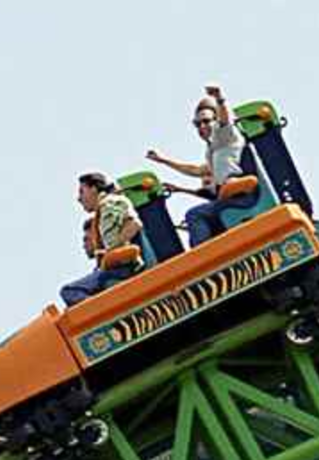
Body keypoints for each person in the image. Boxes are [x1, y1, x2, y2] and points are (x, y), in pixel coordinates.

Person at [147, 85, 250, 246]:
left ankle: (206, 256)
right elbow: (196, 170)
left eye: (206, 121)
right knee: (202, 219)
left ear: (215, 120)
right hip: (228, 197)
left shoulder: (225, 135)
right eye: (197, 124)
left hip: (239, 195)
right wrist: (163, 160)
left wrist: (219, 99)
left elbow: (225, 120)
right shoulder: (213, 150)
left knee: (194, 215)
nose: (202, 126)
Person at [59, 172, 142, 307]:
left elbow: (134, 225)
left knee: (70, 291)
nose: (79, 198)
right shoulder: (104, 208)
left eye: (82, 192)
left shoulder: (109, 203)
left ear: (94, 189)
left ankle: (105, 311)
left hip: (121, 267)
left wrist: (112, 251)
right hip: (116, 265)